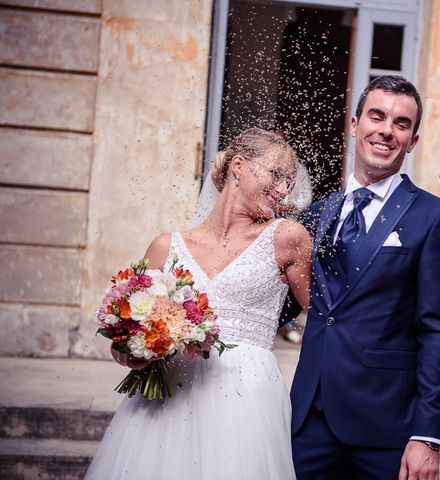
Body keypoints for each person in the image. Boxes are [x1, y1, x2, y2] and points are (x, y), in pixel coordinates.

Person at [85, 128, 312, 479]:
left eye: (289, 182)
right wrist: (134, 351)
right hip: (168, 398)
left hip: (246, 399)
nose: (284, 190)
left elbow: (325, 315)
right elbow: (123, 344)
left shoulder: (287, 238)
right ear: (238, 166)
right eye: (276, 175)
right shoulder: (166, 246)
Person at [290, 76, 440, 480]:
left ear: (413, 140)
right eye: (377, 116)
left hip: (386, 428)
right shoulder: (316, 213)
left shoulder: (436, 218)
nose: (387, 130)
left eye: (401, 123)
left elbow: (437, 332)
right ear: (354, 125)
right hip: (307, 421)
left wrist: (428, 434)